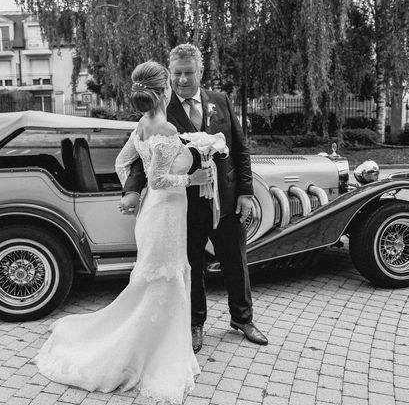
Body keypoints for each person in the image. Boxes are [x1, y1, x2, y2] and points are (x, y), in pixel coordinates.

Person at [36, 61, 213, 404]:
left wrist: (135, 195)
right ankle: (148, 350)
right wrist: (193, 179)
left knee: (156, 279)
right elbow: (160, 179)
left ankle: (155, 340)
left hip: (153, 213)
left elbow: (122, 163)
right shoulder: (165, 129)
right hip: (166, 213)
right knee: (165, 278)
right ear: (164, 91)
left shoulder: (142, 125)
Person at [121, 44, 268, 353]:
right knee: (192, 266)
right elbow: (138, 158)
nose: (183, 80)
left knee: (236, 261)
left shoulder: (221, 101)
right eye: (177, 73)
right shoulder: (159, 108)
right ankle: (194, 324)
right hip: (183, 204)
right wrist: (132, 190)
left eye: (189, 72)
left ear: (201, 72)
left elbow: (241, 150)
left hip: (225, 202)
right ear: (169, 74)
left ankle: (242, 318)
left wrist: (245, 193)